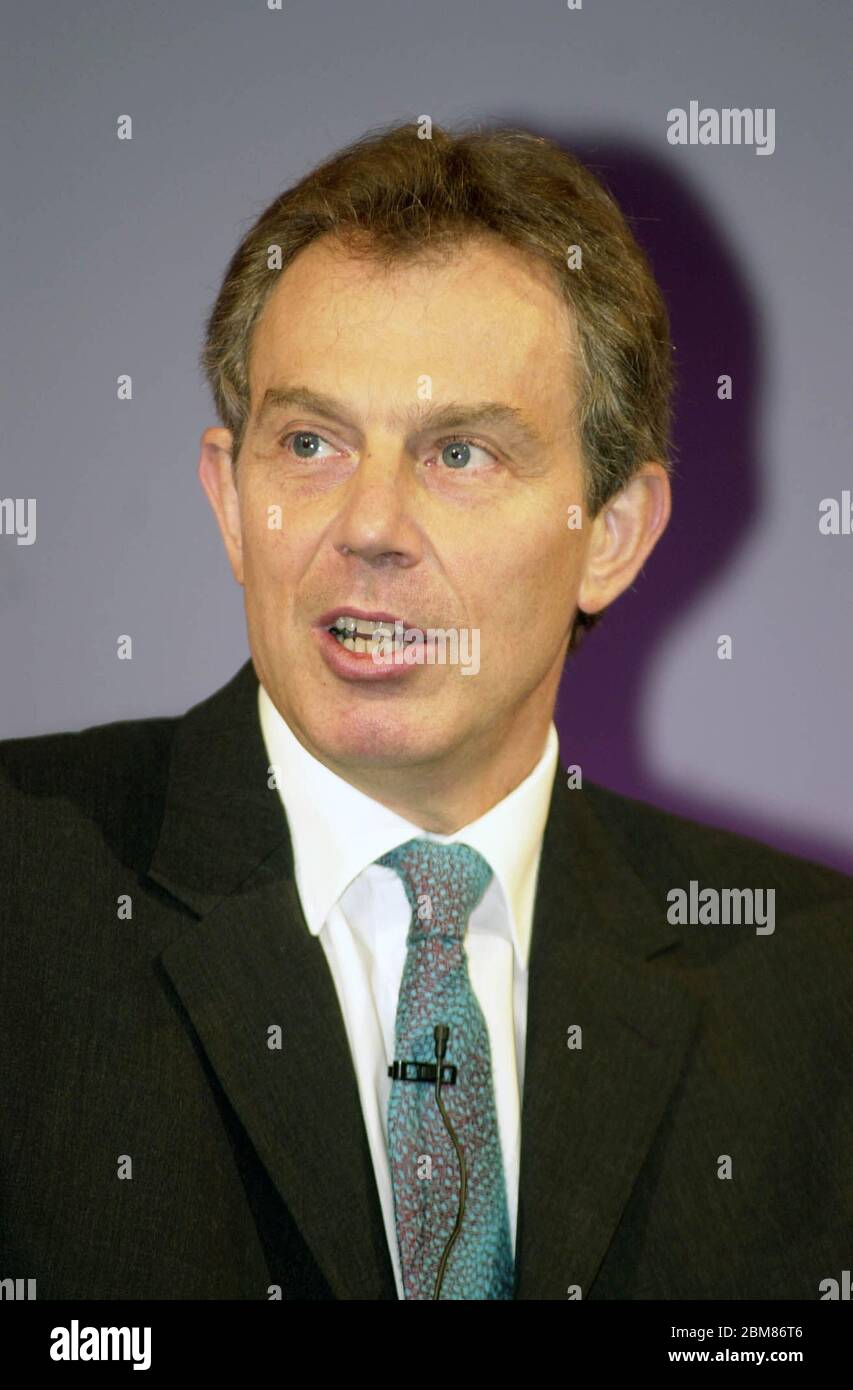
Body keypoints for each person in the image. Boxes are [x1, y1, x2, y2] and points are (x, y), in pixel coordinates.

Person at [1, 120, 851, 1301]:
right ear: (231, 502)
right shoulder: (25, 887)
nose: (371, 525)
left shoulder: (812, 980)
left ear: (609, 536)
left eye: (459, 454)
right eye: (309, 442)